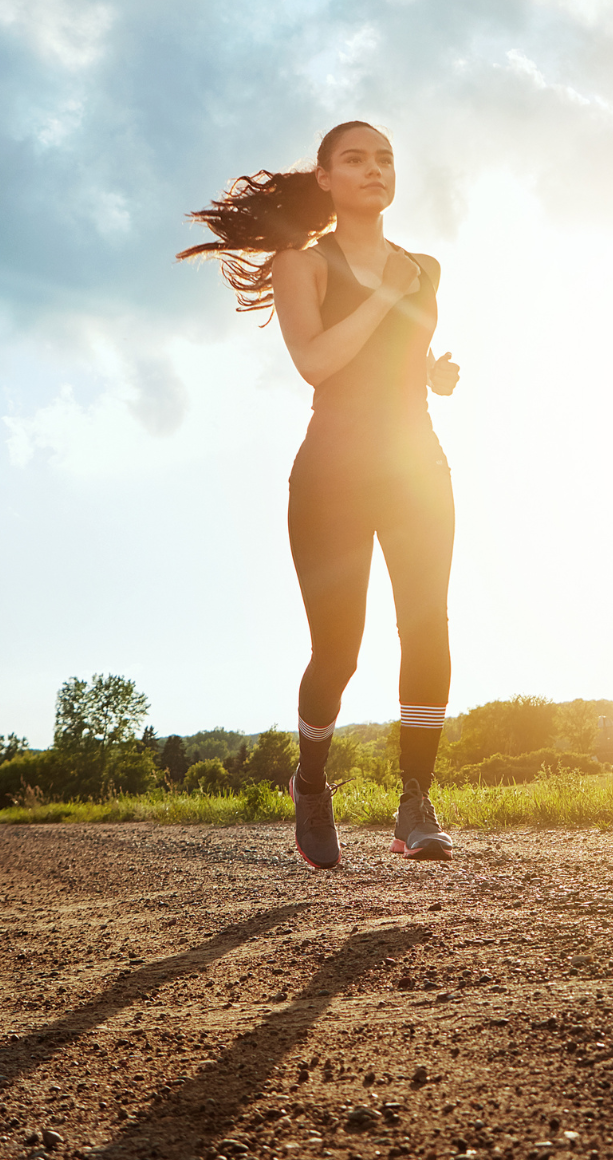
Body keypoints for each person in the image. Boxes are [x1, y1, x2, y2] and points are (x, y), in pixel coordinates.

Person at [180, 121, 460, 867]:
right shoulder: (301, 265)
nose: (375, 170)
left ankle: (414, 803)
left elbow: (404, 349)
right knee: (339, 652)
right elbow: (315, 363)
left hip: (415, 467)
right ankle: (310, 784)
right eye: (356, 159)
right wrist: (383, 302)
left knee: (426, 626)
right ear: (327, 178)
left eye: (386, 159)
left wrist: (432, 372)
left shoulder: (424, 267)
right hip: (333, 475)